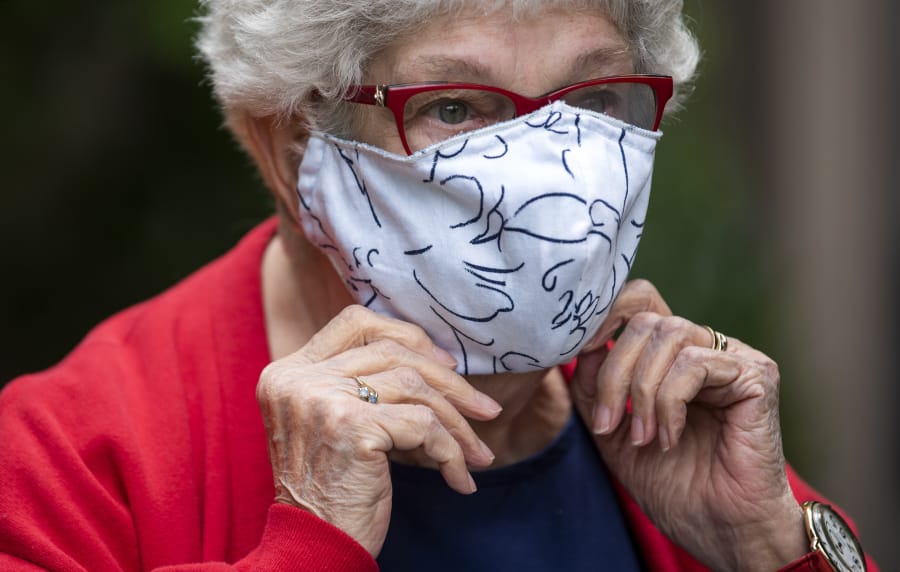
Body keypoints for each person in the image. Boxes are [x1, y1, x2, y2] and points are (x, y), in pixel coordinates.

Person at [0, 1, 878, 570]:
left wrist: (771, 548)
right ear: (291, 147)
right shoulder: (66, 463)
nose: (551, 176)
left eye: (593, 101)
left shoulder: (666, 433)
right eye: (455, 107)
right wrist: (311, 546)